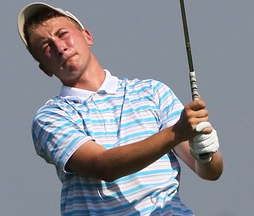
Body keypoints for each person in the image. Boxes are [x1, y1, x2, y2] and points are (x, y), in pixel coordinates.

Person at [17, 2, 223, 215]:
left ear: (87, 36)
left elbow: (211, 172)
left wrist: (205, 153)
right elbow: (104, 166)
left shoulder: (152, 92)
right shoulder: (50, 118)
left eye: (62, 34)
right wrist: (176, 133)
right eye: (46, 47)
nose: (60, 47)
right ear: (44, 69)